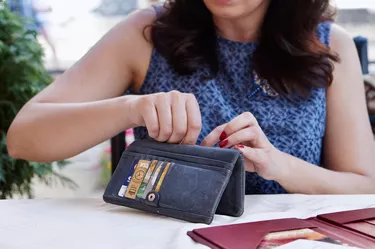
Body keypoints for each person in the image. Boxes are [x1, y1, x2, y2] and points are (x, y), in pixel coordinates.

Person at [7, 0, 375, 195]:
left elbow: (365, 184)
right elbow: (23, 139)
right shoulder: (146, 32)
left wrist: (280, 166)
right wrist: (130, 108)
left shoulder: (329, 44)